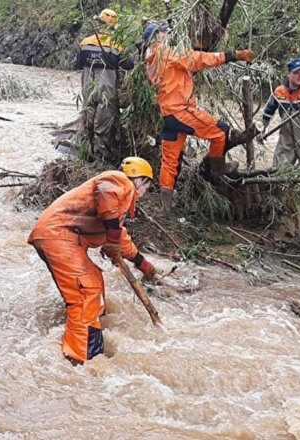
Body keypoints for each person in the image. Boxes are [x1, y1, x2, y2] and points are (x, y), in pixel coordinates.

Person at [28, 157, 158, 365]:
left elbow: (118, 238)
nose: (144, 194)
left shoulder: (116, 208)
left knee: (94, 279)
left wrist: (142, 264)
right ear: (140, 181)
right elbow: (108, 202)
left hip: (61, 237)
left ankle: (90, 334)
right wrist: (113, 238)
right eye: (147, 187)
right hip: (59, 237)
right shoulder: (119, 181)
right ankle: (80, 358)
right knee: (84, 294)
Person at [144, 23, 254, 213]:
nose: (167, 34)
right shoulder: (166, 53)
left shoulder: (153, 56)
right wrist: (234, 55)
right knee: (221, 131)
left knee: (170, 161)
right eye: (163, 32)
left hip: (167, 112)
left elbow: (185, 66)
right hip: (179, 110)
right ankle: (218, 168)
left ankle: (165, 207)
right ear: (156, 37)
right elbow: (197, 60)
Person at [72, 8, 134, 163]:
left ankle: (86, 156)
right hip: (108, 94)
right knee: (102, 130)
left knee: (88, 126)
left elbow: (77, 65)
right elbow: (129, 65)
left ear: (99, 24)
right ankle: (100, 161)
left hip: (88, 92)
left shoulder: (85, 43)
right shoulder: (118, 46)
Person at [260, 57, 300, 168]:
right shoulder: (279, 91)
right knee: (279, 168)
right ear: (288, 73)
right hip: (286, 136)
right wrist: (261, 129)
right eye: (296, 73)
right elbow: (267, 112)